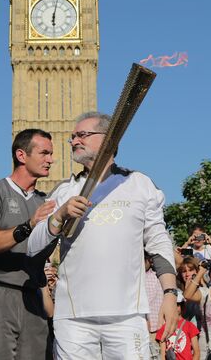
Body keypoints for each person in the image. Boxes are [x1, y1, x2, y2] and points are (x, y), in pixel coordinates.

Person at [28, 111, 178, 360]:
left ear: (109, 138)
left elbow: (158, 243)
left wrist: (170, 295)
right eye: (72, 137)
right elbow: (33, 247)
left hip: (127, 315)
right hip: (73, 318)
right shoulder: (64, 191)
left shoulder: (139, 184)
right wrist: (59, 216)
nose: (74, 141)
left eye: (82, 135)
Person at [0, 128, 56, 360]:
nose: (51, 159)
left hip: (33, 296)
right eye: (44, 153)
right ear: (21, 155)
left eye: (51, 154)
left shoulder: (47, 202)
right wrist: (29, 225)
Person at [156, 289, 200, 360]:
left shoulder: (190, 326)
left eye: (177, 305)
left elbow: (197, 352)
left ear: (182, 306)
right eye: (172, 305)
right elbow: (162, 355)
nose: (174, 307)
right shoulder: (164, 327)